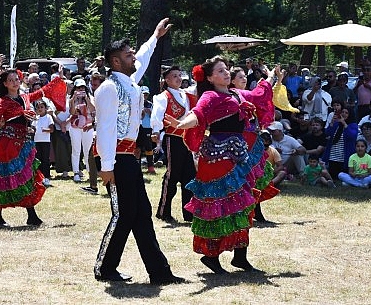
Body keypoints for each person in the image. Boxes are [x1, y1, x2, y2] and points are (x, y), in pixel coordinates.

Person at [166, 56, 283, 274]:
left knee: (244, 204)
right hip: (218, 159)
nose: (226, 73)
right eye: (220, 71)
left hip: (238, 156)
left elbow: (258, 95)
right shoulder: (210, 96)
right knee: (218, 206)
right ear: (210, 78)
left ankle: (240, 256)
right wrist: (182, 123)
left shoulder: (236, 93)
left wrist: (270, 77)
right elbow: (198, 114)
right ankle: (212, 256)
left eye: (226, 69)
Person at [93, 17, 184, 285]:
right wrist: (106, 167)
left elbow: (143, 57)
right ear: (116, 62)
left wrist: (156, 36)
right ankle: (105, 268)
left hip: (129, 158)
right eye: (128, 55)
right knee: (123, 214)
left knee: (141, 213)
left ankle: (159, 272)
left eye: (133, 54)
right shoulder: (109, 88)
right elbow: (106, 129)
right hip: (116, 159)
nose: (134, 58)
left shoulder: (129, 82)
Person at [0, 67, 67, 227]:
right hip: (8, 145)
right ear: (5, 84)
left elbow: (43, 91)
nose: (14, 82)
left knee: (28, 176)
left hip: (24, 143)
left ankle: (30, 215)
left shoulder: (25, 97)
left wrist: (57, 80)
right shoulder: (2, 102)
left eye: (16, 79)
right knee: (5, 178)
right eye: (10, 80)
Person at [150, 65, 197, 224]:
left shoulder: (186, 94)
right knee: (172, 174)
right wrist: (156, 130)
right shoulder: (163, 96)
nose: (178, 78)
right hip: (173, 138)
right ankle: (163, 211)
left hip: (186, 139)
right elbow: (157, 114)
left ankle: (189, 213)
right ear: (167, 80)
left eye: (179, 75)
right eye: (174, 76)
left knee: (190, 175)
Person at [68, 78, 95, 182]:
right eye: (79, 87)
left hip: (87, 127)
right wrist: (74, 99)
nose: (81, 89)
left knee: (88, 150)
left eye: (83, 87)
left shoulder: (90, 97)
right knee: (76, 150)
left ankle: (90, 172)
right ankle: (76, 172)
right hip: (75, 127)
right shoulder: (71, 99)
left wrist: (87, 99)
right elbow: (72, 112)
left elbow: (93, 109)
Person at [33, 100, 54, 187]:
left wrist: (44, 130)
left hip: (45, 141)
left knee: (45, 159)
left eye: (42, 107)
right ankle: (39, 178)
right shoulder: (36, 118)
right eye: (38, 108)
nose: (40, 109)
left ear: (45, 108)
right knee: (38, 160)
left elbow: (52, 129)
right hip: (37, 141)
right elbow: (33, 128)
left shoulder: (48, 117)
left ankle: (47, 177)